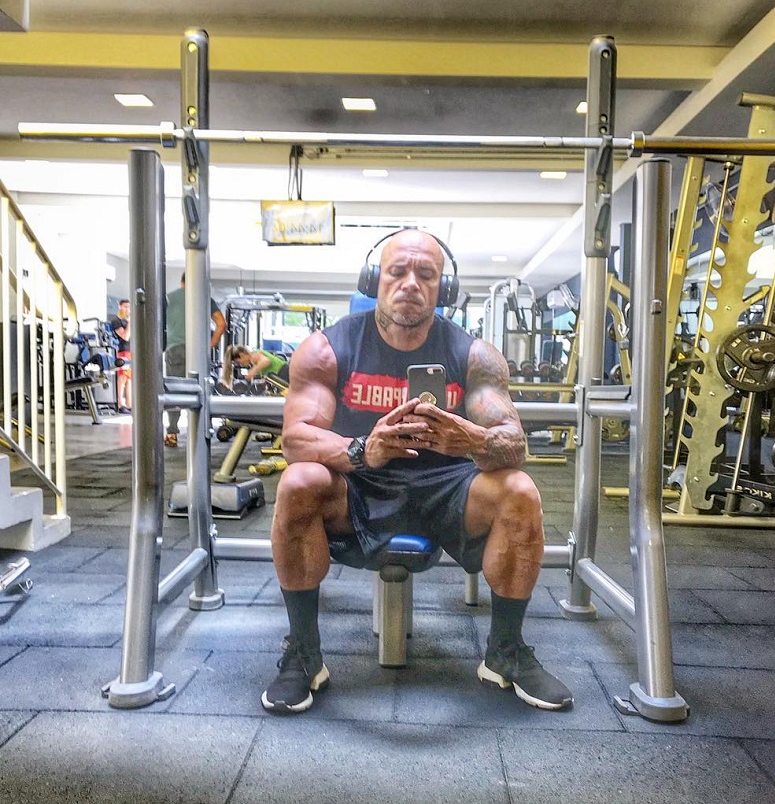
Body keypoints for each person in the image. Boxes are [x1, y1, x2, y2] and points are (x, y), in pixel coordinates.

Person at [262, 229, 573, 714]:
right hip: (360, 486)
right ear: (374, 280)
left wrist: (470, 439)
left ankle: (505, 652)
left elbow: (514, 442)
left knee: (520, 490)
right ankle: (304, 655)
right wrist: (364, 449)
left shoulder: (473, 355)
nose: (411, 283)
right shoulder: (327, 349)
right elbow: (297, 438)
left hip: (447, 489)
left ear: (443, 288)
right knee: (298, 480)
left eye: (426, 274)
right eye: (397, 272)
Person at [164, 272, 227, 446]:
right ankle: (200, 431)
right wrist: (210, 346)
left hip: (174, 349)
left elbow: (158, 325)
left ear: (181, 281)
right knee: (200, 390)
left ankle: (172, 433)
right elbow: (221, 324)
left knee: (174, 390)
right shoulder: (204, 298)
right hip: (198, 351)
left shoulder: (168, 298)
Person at [221, 344, 289, 390]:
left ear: (242, 355)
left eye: (239, 362)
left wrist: (253, 371)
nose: (240, 364)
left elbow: (266, 361)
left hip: (285, 373)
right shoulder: (254, 361)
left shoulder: (254, 356)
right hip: (281, 376)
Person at [108, 298, 132, 414]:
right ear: (120, 306)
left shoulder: (127, 321)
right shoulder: (116, 321)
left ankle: (129, 404)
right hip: (123, 351)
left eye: (129, 307)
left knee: (128, 379)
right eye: (125, 306)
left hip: (130, 351)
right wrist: (130, 323)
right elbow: (125, 337)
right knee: (122, 378)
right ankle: (120, 404)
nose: (127, 309)